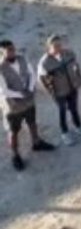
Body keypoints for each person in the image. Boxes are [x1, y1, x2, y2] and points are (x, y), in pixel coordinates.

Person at [2, 39, 56, 170]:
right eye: (8, 50)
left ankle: (36, 143)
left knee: (32, 122)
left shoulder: (22, 59)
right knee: (13, 131)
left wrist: (31, 88)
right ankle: (15, 155)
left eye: (13, 49)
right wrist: (22, 94)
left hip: (28, 98)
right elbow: (3, 90)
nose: (12, 52)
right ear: (1, 53)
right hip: (12, 105)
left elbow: (31, 74)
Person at [37, 35, 81, 147]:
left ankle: (79, 126)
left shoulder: (69, 54)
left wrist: (78, 79)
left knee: (74, 108)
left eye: (60, 45)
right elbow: (42, 79)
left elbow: (76, 66)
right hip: (59, 92)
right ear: (48, 47)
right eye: (55, 46)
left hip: (72, 87)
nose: (58, 48)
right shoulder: (44, 63)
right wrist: (51, 91)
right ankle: (65, 132)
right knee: (62, 111)